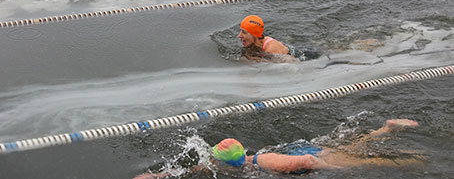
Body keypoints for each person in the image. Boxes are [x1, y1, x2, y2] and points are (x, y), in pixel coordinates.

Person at [133, 119, 422, 179]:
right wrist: (158, 178)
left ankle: (415, 161)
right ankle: (385, 130)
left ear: (224, 163)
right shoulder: (241, 162)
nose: (210, 161)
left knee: (362, 163)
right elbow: (198, 169)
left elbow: (305, 160)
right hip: (299, 150)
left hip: (310, 156)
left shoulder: (263, 161)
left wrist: (335, 170)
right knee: (353, 145)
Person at [238, 15, 319, 62]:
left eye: (244, 32)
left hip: (309, 56)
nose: (239, 36)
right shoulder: (257, 42)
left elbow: (293, 63)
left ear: (254, 35)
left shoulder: (271, 49)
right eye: (240, 31)